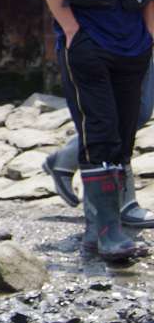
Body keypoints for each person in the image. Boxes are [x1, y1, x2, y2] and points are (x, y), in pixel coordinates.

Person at [36, 0, 154, 263]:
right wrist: (71, 30)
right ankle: (109, 231)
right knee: (99, 133)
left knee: (124, 135)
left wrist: (149, 35)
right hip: (87, 41)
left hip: (134, 44)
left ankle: (96, 232)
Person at [44, 64, 154, 229]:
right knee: (121, 113)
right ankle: (120, 203)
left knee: (139, 111)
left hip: (138, 43)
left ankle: (66, 157)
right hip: (107, 44)